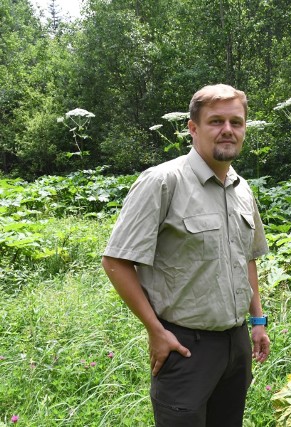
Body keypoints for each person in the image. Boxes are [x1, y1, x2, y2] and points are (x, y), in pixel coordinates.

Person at [102, 84, 270, 427]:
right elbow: (116, 261)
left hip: (236, 344)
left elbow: (247, 257)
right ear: (193, 128)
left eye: (236, 122)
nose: (227, 130)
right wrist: (155, 331)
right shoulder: (162, 182)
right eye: (216, 121)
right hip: (185, 347)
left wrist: (257, 321)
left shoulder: (242, 188)